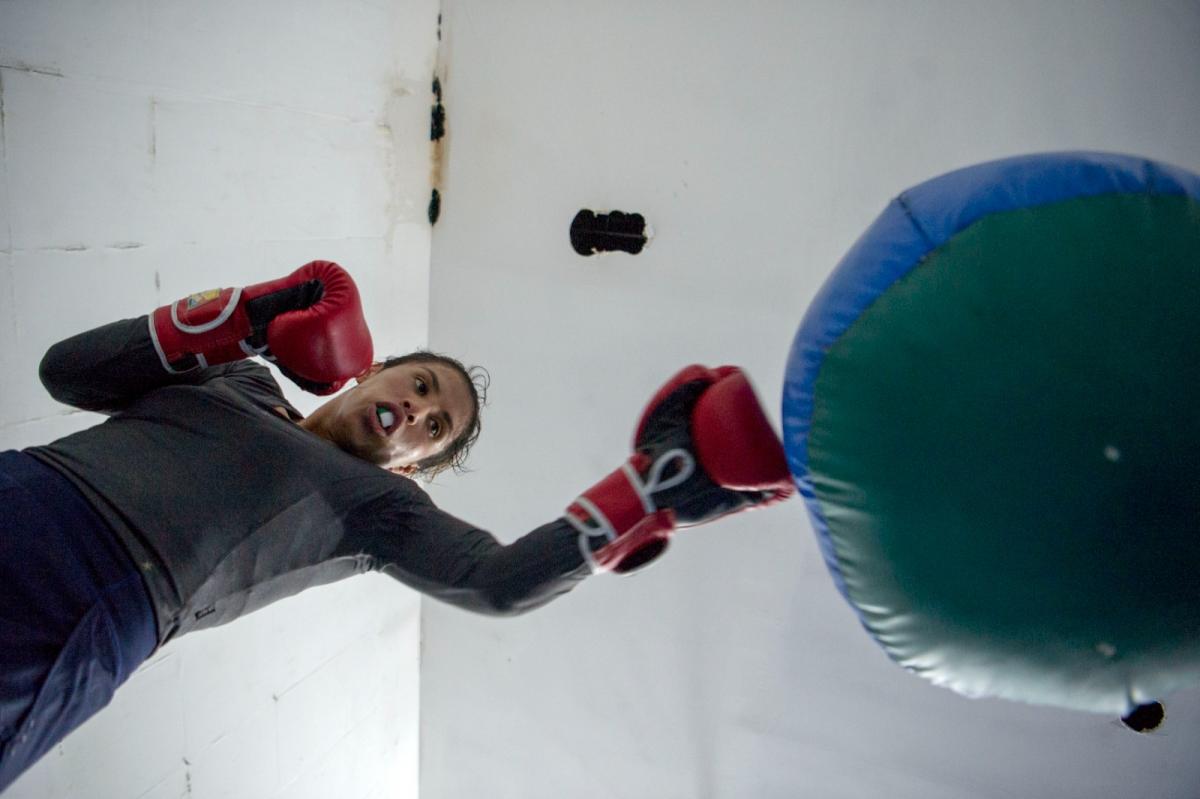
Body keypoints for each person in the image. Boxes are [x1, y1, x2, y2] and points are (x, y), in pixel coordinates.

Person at [0, 261, 793, 791]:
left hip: (91, 598)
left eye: (434, 425)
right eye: (418, 386)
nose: (417, 409)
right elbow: (65, 370)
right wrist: (246, 316)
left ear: (412, 463)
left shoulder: (378, 508)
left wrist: (647, 490)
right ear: (369, 371)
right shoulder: (238, 374)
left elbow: (501, 580)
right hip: (25, 484)